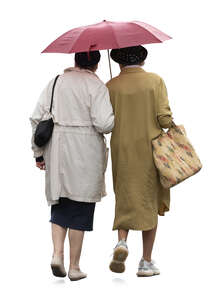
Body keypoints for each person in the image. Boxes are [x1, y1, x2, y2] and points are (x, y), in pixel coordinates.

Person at [30, 51, 114, 281]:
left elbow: (37, 118)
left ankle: (57, 254)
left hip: (57, 149)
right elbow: (104, 124)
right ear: (96, 64)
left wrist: (38, 153)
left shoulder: (56, 82)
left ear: (75, 60)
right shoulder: (97, 87)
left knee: (60, 202)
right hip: (86, 151)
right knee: (81, 205)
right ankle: (75, 267)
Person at [106, 45, 174, 276]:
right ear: (142, 60)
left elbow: (106, 122)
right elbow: (164, 118)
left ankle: (122, 242)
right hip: (149, 148)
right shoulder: (155, 81)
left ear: (119, 62)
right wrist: (174, 127)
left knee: (125, 193)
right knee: (149, 199)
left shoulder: (111, 85)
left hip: (122, 149)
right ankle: (145, 261)